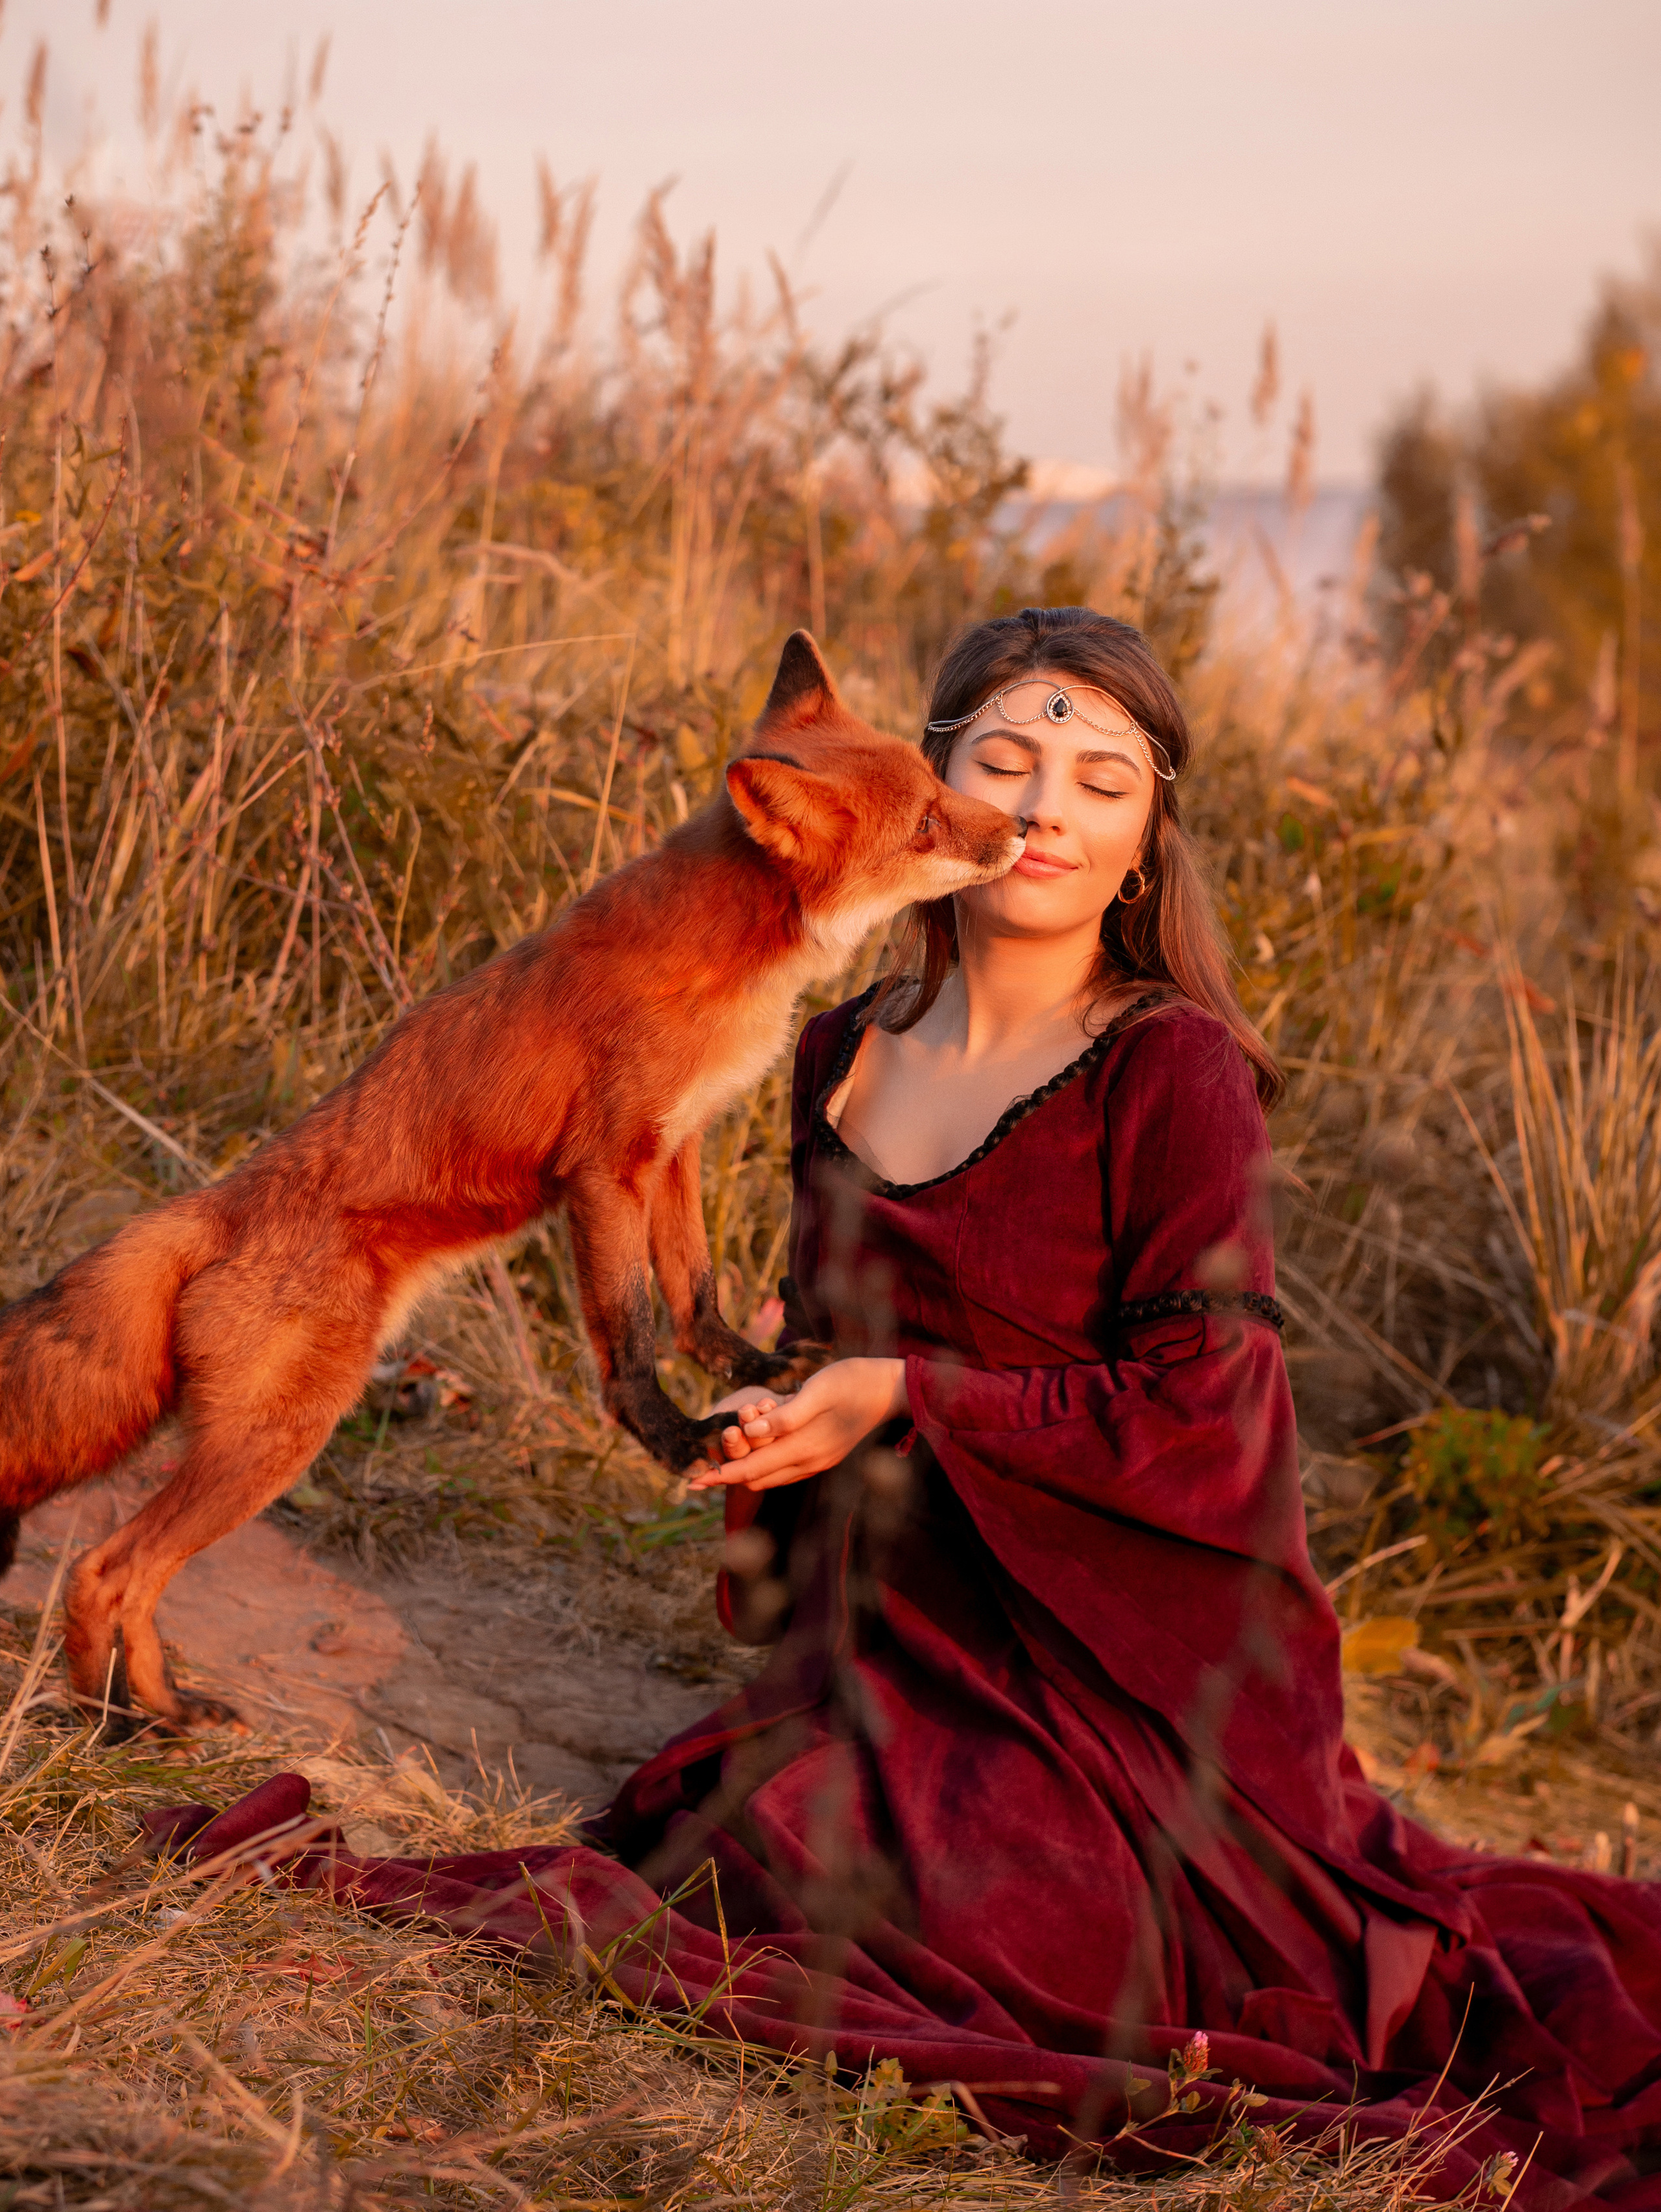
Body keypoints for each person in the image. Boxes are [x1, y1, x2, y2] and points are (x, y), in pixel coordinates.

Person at [152, 609, 1661, 2207]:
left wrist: (903, 1397)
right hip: (902, 1632)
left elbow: (1208, 1415)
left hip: (1140, 1666)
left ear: (1147, 839)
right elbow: (836, 1348)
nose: (1042, 812)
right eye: (1005, 761)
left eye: (1099, 782)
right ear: (927, 779)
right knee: (765, 1850)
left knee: (939, 1922)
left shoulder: (1173, 1073)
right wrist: (784, 1424)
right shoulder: (830, 1053)